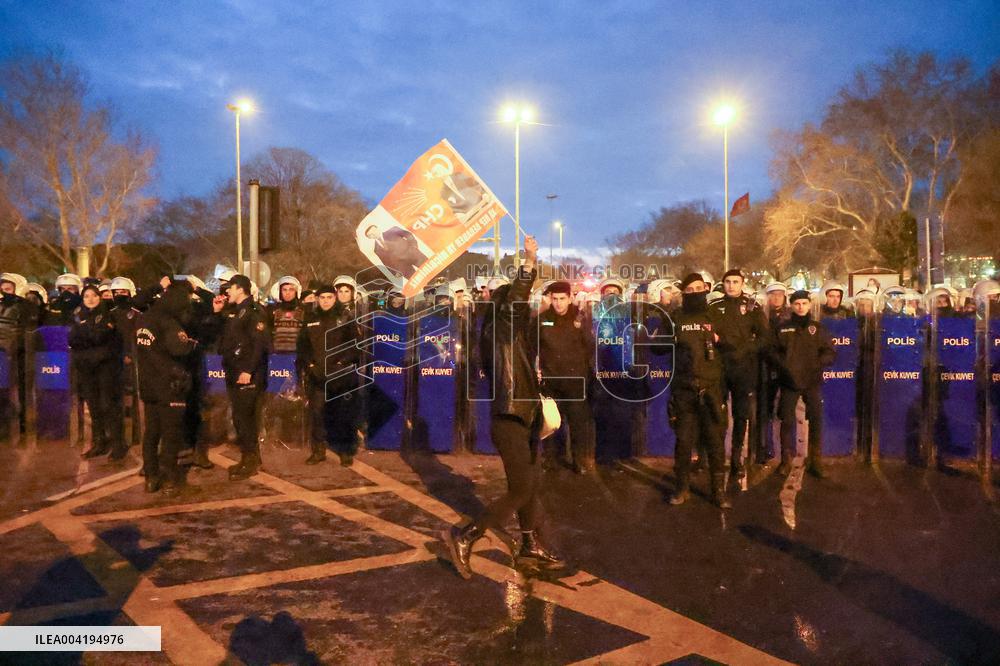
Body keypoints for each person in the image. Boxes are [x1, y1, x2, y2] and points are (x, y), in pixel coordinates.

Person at [443, 235, 566, 579]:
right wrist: (529, 260)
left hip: (524, 414)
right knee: (522, 488)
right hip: (511, 416)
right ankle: (466, 535)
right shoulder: (503, 324)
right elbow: (517, 296)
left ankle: (529, 545)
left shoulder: (508, 335)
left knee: (529, 483)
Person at [659, 273, 731, 509]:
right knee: (683, 442)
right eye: (689, 290)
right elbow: (658, 348)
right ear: (683, 293)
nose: (695, 293)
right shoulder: (675, 317)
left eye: (699, 288)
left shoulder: (715, 315)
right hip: (684, 390)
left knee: (715, 443)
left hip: (711, 388)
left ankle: (718, 492)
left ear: (706, 289)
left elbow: (733, 346)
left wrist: (721, 340)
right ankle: (681, 488)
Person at [135, 283, 199, 494]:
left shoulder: (144, 319)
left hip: (148, 384)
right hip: (170, 384)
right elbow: (179, 348)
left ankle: (151, 476)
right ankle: (171, 478)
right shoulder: (168, 322)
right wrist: (191, 344)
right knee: (171, 433)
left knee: (151, 432)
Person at [709, 269, 771, 482]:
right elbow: (708, 334)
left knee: (741, 415)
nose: (731, 285)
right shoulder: (715, 307)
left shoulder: (752, 307)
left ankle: (737, 459)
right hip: (720, 368)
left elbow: (765, 337)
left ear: (742, 283)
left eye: (735, 282)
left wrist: (747, 349)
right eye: (727, 281)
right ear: (723, 283)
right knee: (717, 414)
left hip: (744, 369)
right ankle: (717, 458)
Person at [529, 280, 596, 474]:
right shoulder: (542, 320)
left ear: (570, 298)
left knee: (577, 423)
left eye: (562, 299)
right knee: (551, 423)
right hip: (551, 381)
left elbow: (590, 347)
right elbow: (532, 347)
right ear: (550, 299)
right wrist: (536, 370)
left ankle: (579, 460)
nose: (558, 303)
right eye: (555, 299)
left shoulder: (581, 318)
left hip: (575, 381)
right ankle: (550, 459)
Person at [773, 290, 836, 477]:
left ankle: (816, 461)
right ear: (791, 306)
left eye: (804, 303)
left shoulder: (818, 328)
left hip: (812, 381)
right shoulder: (783, 328)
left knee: (816, 419)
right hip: (789, 381)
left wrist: (817, 364)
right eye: (797, 304)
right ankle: (785, 460)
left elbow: (830, 352)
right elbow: (772, 352)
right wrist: (784, 367)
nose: (800, 307)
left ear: (809, 305)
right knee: (787, 420)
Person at [213, 274, 269, 480]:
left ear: (240, 289)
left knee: (245, 419)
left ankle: (250, 461)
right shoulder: (236, 311)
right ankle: (249, 458)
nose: (227, 291)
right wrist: (218, 313)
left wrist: (248, 370)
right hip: (234, 371)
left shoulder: (254, 312)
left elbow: (258, 345)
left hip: (248, 374)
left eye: (230, 288)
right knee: (240, 417)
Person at [69, 284, 125, 460]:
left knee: (109, 405)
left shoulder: (107, 313)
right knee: (93, 406)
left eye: (94, 295)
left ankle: (118, 444)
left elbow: (101, 336)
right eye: (86, 296)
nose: (90, 299)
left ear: (100, 297)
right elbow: (72, 339)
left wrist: (85, 332)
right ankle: (99, 442)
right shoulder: (78, 315)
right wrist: (89, 331)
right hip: (86, 367)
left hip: (105, 367)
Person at [267, 276, 306, 353]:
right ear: (280, 292)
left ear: (296, 291)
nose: (287, 293)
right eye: (284, 290)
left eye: (291, 289)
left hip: (298, 356)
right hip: (276, 355)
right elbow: (268, 334)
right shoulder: (272, 311)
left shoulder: (304, 311)